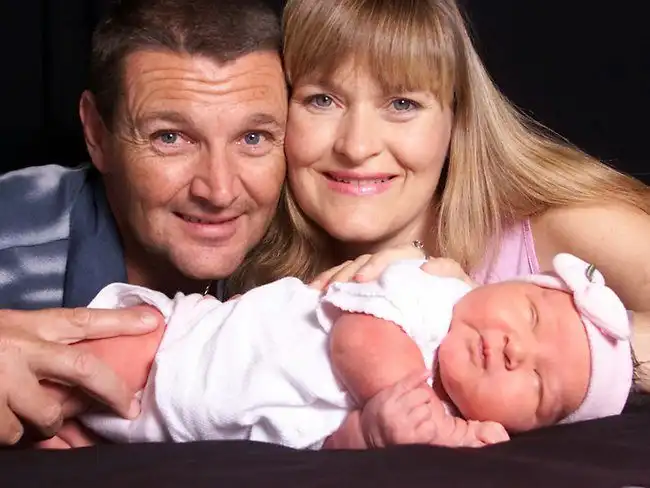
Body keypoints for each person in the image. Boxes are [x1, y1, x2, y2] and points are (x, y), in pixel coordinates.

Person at [0, 0, 290, 446]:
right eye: (170, 137)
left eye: (253, 138)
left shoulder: (318, 257)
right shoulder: (10, 240)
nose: (219, 191)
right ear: (97, 133)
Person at [39, 253, 632, 450]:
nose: (515, 350)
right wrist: (419, 410)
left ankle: (67, 431)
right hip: (179, 347)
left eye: (538, 383)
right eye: (529, 314)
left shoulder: (442, 425)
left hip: (175, 429)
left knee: (67, 439)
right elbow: (358, 337)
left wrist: (372, 433)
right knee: (77, 371)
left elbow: (328, 443)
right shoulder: (432, 296)